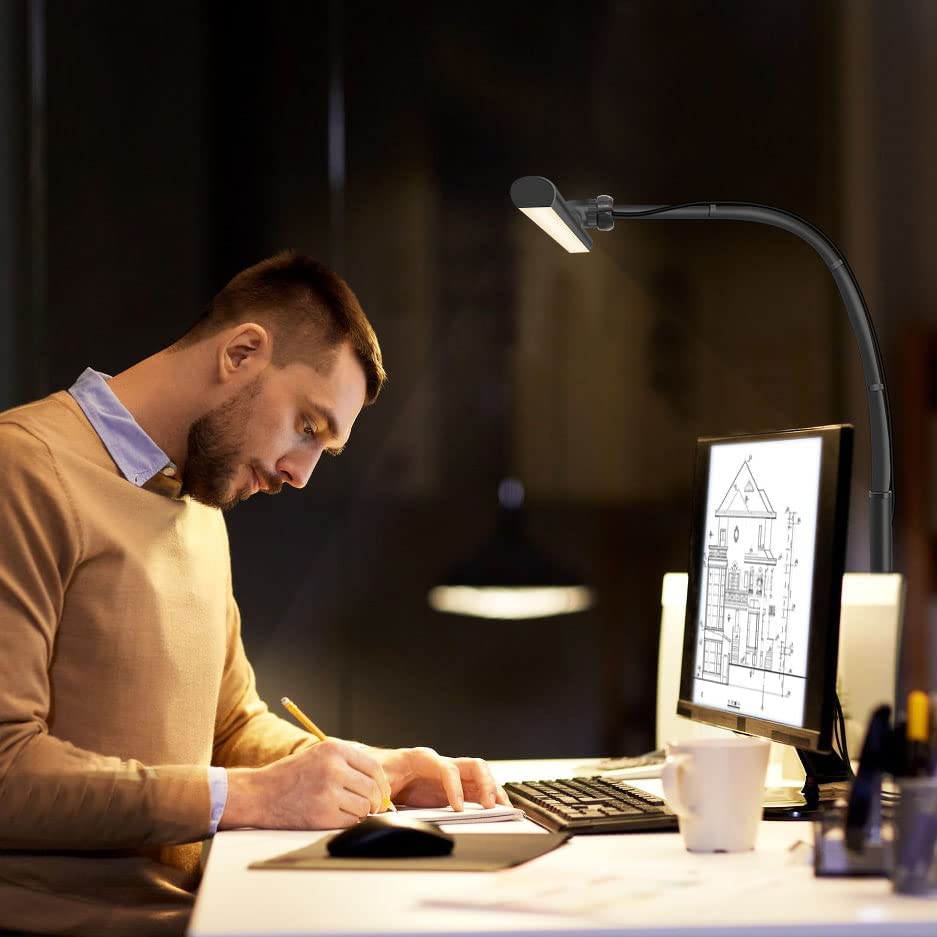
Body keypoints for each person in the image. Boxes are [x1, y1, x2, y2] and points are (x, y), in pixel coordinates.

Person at [0, 251, 509, 937]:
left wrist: (370, 771)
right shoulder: (23, 470)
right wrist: (247, 796)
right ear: (241, 352)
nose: (299, 474)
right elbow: (6, 770)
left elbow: (232, 726)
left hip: (197, 910)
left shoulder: (199, 499)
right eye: (307, 426)